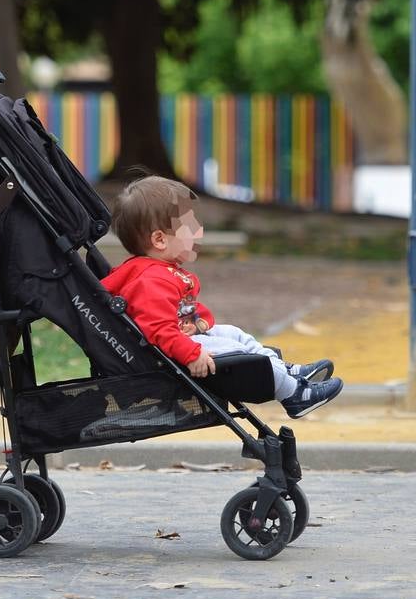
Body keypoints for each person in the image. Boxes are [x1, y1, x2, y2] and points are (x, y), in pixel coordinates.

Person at [100, 175, 343, 418]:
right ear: (160, 239)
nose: (199, 232)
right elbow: (160, 329)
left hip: (185, 335)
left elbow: (182, 310)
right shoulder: (151, 280)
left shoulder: (161, 270)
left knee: (235, 333)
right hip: (177, 350)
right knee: (237, 350)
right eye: (191, 226)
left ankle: (286, 371)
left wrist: (200, 322)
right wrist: (192, 355)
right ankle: (294, 394)